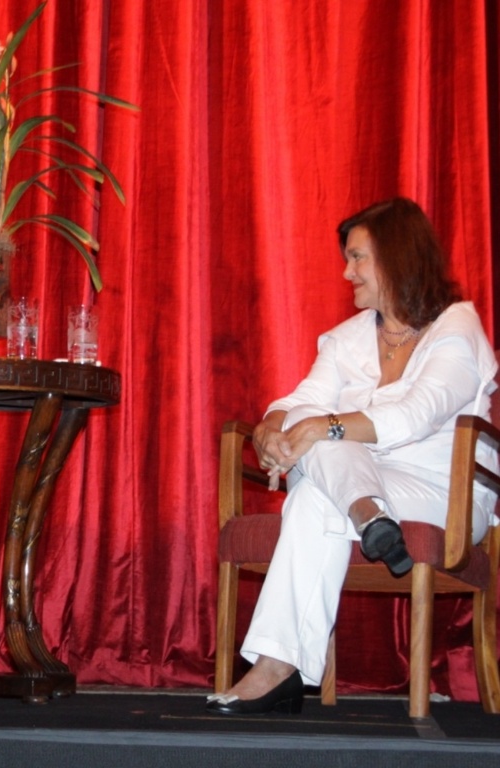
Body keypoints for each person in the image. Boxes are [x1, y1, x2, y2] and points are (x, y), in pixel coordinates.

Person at [206, 197, 498, 716]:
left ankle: (277, 670)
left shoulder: (457, 328)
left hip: (439, 491)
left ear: (396, 256)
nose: (347, 272)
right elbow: (299, 402)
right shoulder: (348, 338)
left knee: (319, 463)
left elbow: (416, 415)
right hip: (367, 484)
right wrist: (272, 431)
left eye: (358, 257)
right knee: (316, 477)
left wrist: (322, 428)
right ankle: (367, 518)